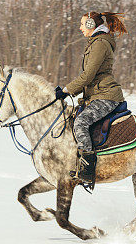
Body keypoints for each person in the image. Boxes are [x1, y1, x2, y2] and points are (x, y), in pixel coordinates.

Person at [54, 11, 127, 185]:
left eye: (82, 24)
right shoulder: (95, 42)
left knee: (81, 122)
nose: (80, 28)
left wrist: (66, 91)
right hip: (96, 94)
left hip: (106, 95)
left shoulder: (100, 44)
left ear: (90, 25)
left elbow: (88, 76)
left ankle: (87, 169)